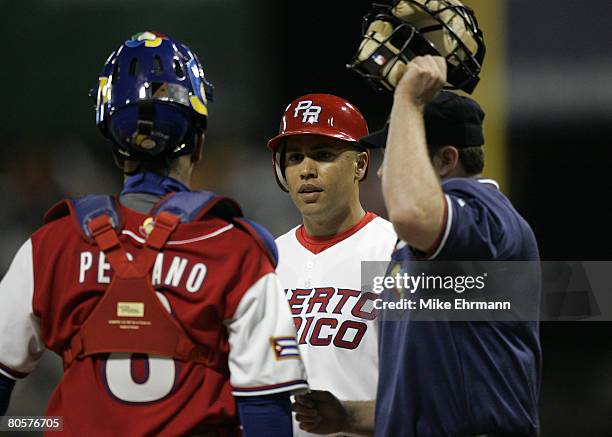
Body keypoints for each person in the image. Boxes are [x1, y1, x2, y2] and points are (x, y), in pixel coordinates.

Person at [0, 31, 307, 436]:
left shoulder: (50, 245)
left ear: (113, 143)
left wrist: (37, 425)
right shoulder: (236, 251)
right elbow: (266, 412)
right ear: (198, 143)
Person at [294, 58, 542, 436]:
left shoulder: (484, 215)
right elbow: (427, 400)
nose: (381, 172)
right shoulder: (419, 249)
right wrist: (347, 415)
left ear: (445, 160)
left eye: (396, 156)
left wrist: (408, 99)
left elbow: (410, 211)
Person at [267, 94, 397, 436]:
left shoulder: (395, 252)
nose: (306, 170)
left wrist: (351, 417)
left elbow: (431, 390)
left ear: (360, 165)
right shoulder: (267, 260)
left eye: (323, 155)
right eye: (295, 157)